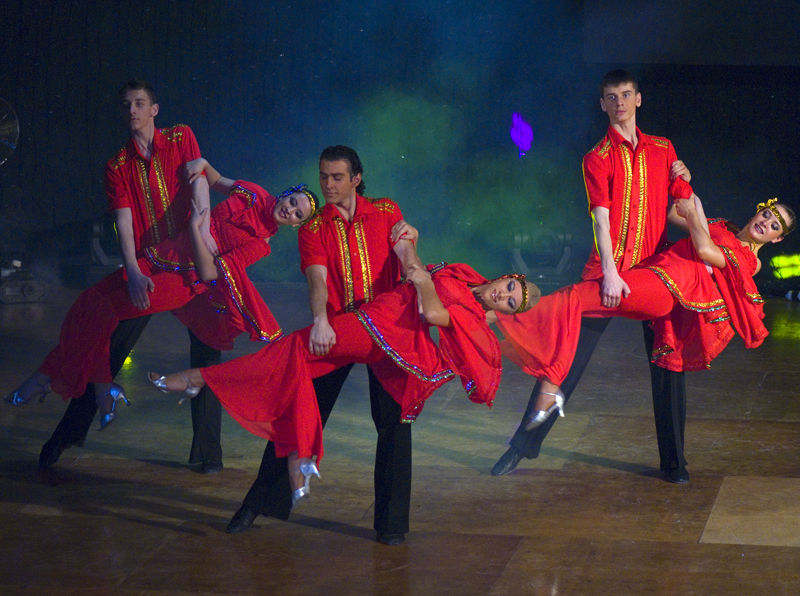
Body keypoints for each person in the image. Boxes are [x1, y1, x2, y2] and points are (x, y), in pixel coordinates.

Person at [149, 258, 539, 511]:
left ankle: (198, 379)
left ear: (504, 311)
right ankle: (300, 459)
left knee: (292, 350)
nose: (503, 294)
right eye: (510, 287)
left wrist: (422, 281)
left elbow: (433, 313)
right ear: (507, 276)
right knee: (295, 366)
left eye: (510, 301)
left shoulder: (472, 313)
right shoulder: (468, 275)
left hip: (373, 329)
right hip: (379, 321)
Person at [492, 69, 696, 483]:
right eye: (611, 97)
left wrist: (687, 184)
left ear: (639, 98)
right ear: (602, 104)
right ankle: (522, 445)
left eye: (626, 94)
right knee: (567, 360)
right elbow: (601, 221)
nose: (620, 103)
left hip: (655, 273)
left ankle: (675, 463)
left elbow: (680, 209)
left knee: (668, 358)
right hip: (607, 273)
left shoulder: (663, 149)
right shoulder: (597, 157)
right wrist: (610, 273)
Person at [10, 81, 213, 474]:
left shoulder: (180, 137)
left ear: (154, 109)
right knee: (106, 338)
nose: (132, 111)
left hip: (192, 260)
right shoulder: (117, 165)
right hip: (151, 266)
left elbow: (199, 180)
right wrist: (132, 271)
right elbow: (124, 221)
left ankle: (208, 453)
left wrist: (202, 232)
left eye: (139, 103)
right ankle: (67, 434)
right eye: (126, 105)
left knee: (207, 351)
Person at [5, 166, 318, 421]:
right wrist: (202, 174)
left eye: (297, 215)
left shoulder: (261, 245)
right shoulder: (252, 192)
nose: (290, 210)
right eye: (293, 202)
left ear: (296, 225)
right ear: (286, 193)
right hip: (161, 254)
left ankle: (53, 379)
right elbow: (210, 175)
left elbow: (209, 273)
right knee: (88, 301)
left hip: (181, 282)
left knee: (104, 310)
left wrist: (196, 229)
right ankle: (99, 386)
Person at [219, 146, 416, 545]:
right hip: (338, 331)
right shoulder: (314, 227)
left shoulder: (386, 211)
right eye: (324, 176)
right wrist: (321, 321)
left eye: (337, 177)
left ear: (356, 179)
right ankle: (258, 503)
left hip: (385, 331)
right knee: (298, 410)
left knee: (395, 424)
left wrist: (414, 255)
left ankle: (391, 526)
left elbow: (406, 255)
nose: (328, 184)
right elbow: (317, 279)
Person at [496, 195, 795, 427]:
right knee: (577, 305)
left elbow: (705, 250)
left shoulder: (750, 261)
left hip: (662, 288)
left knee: (575, 297)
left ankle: (498, 321)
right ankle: (544, 377)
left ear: (777, 239)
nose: (766, 223)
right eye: (767, 214)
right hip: (651, 273)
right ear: (759, 210)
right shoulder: (724, 227)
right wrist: (686, 190)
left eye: (774, 226)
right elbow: (674, 214)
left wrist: (695, 212)